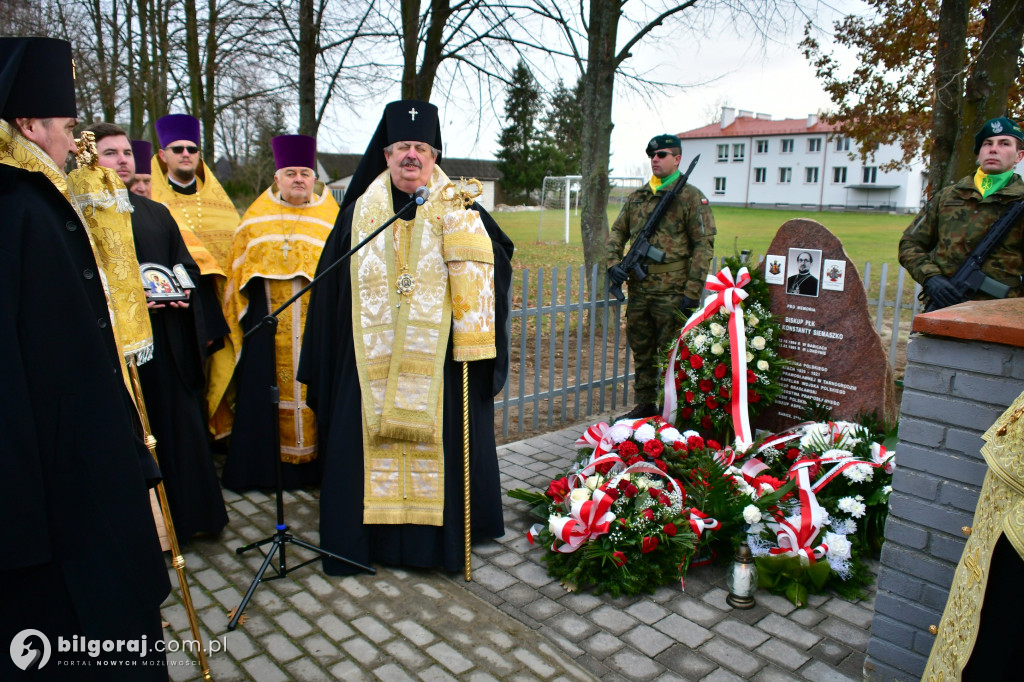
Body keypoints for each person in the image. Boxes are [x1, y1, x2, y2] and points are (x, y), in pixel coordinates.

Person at [0, 37, 169, 677]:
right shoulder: (16, 210)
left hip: (85, 461)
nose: (78, 144)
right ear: (27, 124)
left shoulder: (42, 200)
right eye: (70, 129)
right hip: (53, 487)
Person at [298, 100, 514, 574]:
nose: (410, 156)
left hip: (436, 359)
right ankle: (367, 543)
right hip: (368, 355)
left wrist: (471, 257)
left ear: (434, 157)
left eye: (420, 148)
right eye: (401, 147)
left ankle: (432, 545)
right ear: (386, 154)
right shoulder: (357, 213)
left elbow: (499, 259)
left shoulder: (459, 204)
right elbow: (332, 285)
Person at [87, 121, 229, 541]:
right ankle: (143, 533)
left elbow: (184, 262)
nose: (122, 161)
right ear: (89, 159)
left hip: (165, 341)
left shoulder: (155, 212)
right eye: (110, 153)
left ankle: (191, 521)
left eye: (127, 153)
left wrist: (183, 290)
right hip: (114, 348)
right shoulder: (83, 212)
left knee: (177, 426)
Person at [222, 134, 338, 491]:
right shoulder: (255, 219)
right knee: (263, 394)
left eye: (305, 172)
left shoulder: (331, 218)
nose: (299, 179)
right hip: (267, 332)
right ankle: (265, 470)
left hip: (317, 328)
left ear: (315, 179)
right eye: (290, 173)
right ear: (277, 178)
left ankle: (318, 471)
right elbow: (236, 278)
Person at [606, 134, 716, 421]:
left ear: (677, 159)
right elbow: (618, 232)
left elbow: (703, 245)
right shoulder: (637, 197)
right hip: (640, 290)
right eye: (652, 155)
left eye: (662, 154)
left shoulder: (691, 197)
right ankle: (645, 405)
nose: (655, 159)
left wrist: (692, 292)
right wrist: (613, 264)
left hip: (673, 291)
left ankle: (675, 411)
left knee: (673, 354)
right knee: (642, 351)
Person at [150, 113, 238, 439]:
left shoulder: (219, 202)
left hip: (212, 299)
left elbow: (233, 249)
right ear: (163, 156)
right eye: (177, 149)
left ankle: (215, 431)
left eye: (192, 149)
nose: (185, 154)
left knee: (214, 364)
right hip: (170, 302)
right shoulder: (152, 198)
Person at [899, 116, 1024, 309]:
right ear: (978, 154)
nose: (993, 149)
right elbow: (910, 243)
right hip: (943, 308)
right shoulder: (947, 197)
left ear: (1019, 156)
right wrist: (931, 277)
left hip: (1000, 317)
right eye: (987, 143)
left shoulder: (1020, 201)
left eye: (1004, 144)